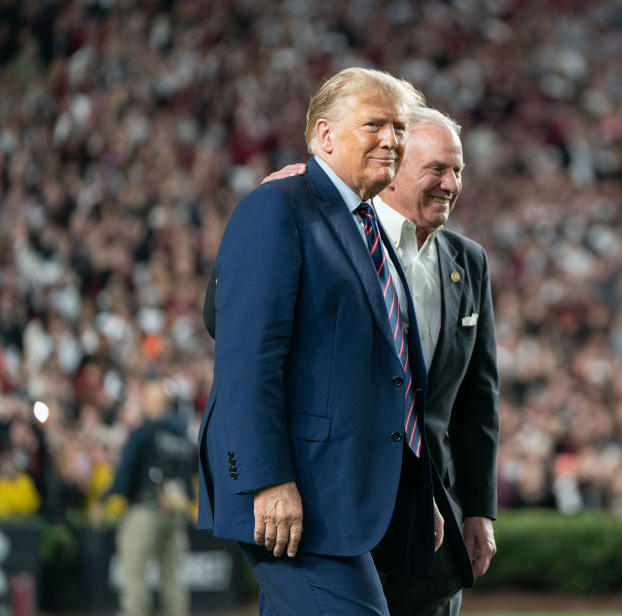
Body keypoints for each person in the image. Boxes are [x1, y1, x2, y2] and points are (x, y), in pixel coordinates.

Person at [204, 106, 500, 615]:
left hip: (423, 516)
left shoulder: (467, 261)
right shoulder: (316, 223)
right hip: (328, 497)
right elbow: (235, 332)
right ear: (394, 170)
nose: (451, 184)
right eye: (436, 169)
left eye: (458, 171)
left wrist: (477, 509)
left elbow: (477, 402)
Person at [108, 379, 196, 616]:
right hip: (176, 512)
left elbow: (126, 471)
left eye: (146, 399)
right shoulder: (184, 436)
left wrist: (112, 497)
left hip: (146, 509)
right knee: (173, 579)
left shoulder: (146, 432)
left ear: (157, 403)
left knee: (134, 575)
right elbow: (190, 477)